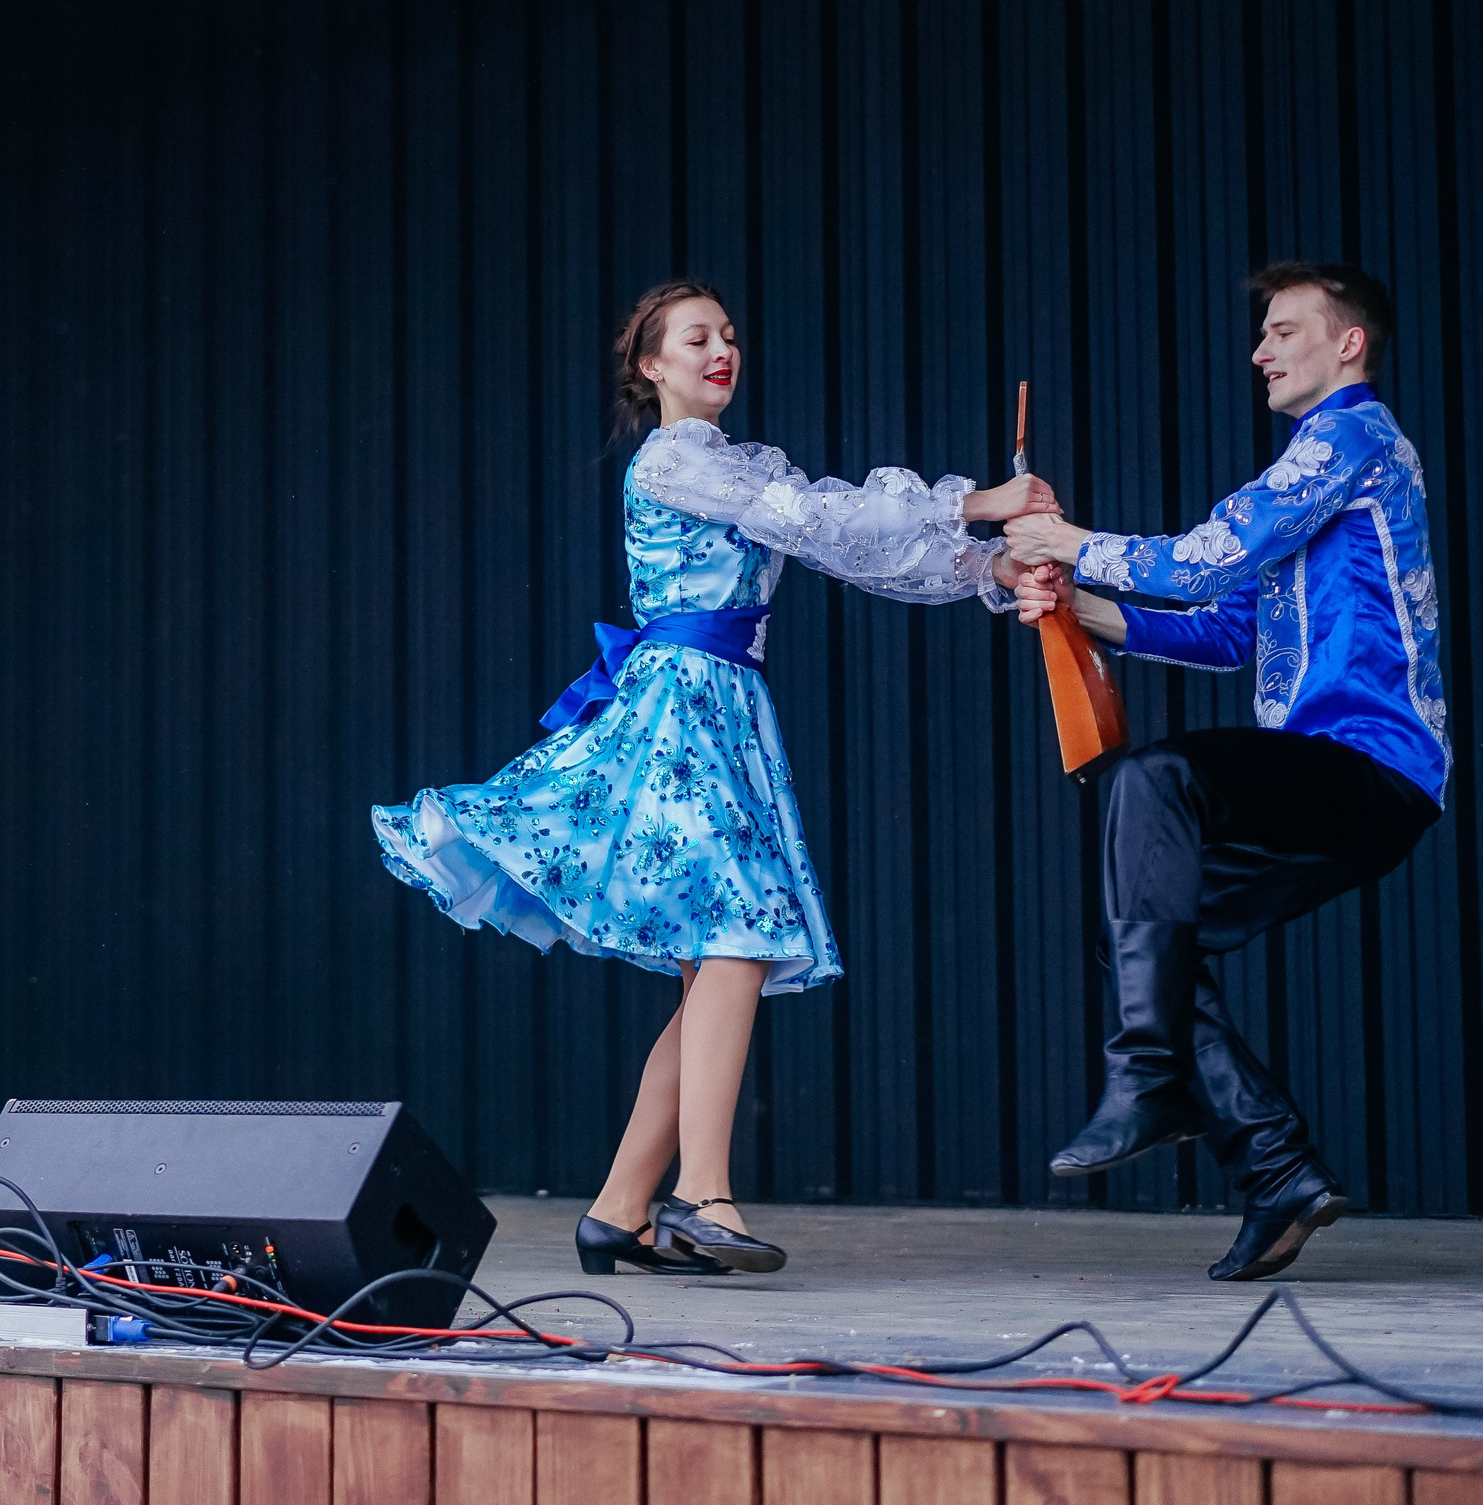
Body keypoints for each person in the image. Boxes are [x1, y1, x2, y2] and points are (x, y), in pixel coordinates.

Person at [372, 281, 1054, 1276]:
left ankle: (618, 1208)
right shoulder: (674, 459)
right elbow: (818, 517)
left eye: (729, 335)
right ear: (652, 367)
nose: (722, 350)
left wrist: (985, 569)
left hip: (719, 707)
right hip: (681, 708)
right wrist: (974, 504)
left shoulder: (731, 465)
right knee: (733, 941)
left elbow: (847, 547)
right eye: (698, 338)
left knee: (714, 966)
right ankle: (699, 1193)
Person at [1005, 262, 1445, 1281]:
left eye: (1282, 330)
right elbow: (1220, 628)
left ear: (1349, 346)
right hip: (1334, 777)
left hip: (1364, 765)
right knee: (1150, 932)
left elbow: (1205, 558)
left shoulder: (1351, 438)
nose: (1259, 349)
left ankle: (1148, 1073)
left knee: (1149, 784)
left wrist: (1068, 541)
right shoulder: (1318, 473)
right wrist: (1069, 602)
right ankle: (1276, 1166)